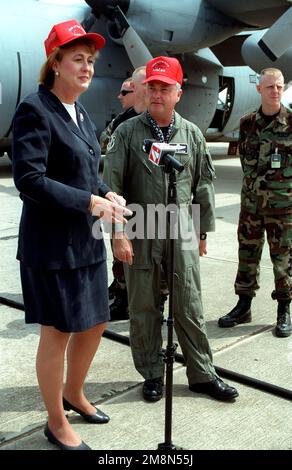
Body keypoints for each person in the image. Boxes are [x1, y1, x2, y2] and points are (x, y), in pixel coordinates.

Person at [11, 19, 130, 451]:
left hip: (83, 241)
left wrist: (104, 191)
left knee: (96, 321)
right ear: (55, 63)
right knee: (57, 333)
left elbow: (84, 174)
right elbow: (29, 178)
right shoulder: (35, 109)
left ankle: (73, 392)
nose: (87, 67)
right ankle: (56, 423)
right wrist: (89, 202)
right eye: (77, 59)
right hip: (51, 245)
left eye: (91, 61)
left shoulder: (80, 111)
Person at [103, 56, 239, 402]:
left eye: (165, 88)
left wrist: (202, 232)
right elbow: (112, 187)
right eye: (153, 87)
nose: (158, 94)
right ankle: (151, 373)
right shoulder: (127, 133)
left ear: (179, 93)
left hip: (181, 231)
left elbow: (202, 185)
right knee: (144, 308)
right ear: (145, 91)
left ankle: (201, 374)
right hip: (142, 230)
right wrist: (118, 234)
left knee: (189, 305)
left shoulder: (192, 134)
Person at [218, 68, 292, 337]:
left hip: (283, 208)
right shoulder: (247, 123)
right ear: (259, 89)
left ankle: (284, 308)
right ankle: (244, 304)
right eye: (270, 86)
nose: (275, 91)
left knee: (282, 260)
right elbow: (244, 162)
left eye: (279, 86)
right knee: (247, 256)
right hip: (251, 206)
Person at [99, 77, 135, 153]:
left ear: (137, 92)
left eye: (124, 93)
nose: (119, 97)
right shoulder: (119, 120)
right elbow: (104, 146)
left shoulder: (151, 119)